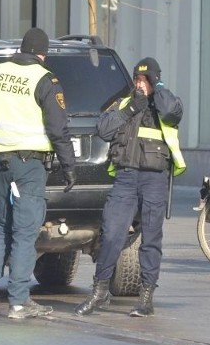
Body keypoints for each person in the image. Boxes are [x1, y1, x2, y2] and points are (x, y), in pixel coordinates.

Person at [0, 27, 77, 319]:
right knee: (25, 232)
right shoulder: (45, 78)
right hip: (28, 165)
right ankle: (18, 301)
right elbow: (58, 128)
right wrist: (69, 166)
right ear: (42, 53)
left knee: (1, 227)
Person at [74, 57, 185, 318]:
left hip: (154, 178)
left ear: (154, 80)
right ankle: (99, 291)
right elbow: (103, 128)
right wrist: (130, 109)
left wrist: (156, 90)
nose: (139, 84)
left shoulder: (166, 101)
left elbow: (173, 112)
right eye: (137, 79)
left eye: (145, 80)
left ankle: (146, 297)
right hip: (125, 177)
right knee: (111, 233)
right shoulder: (125, 103)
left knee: (151, 237)